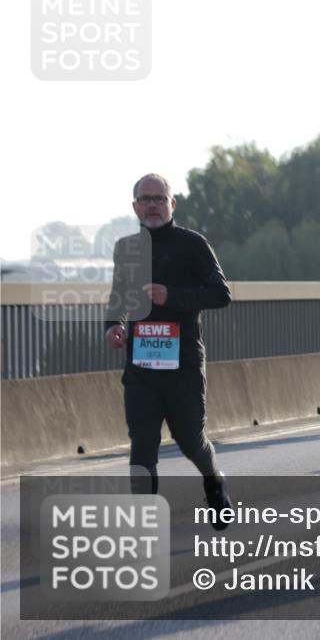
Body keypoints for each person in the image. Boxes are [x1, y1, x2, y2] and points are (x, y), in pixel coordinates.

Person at [104, 173, 232, 529]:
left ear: (172, 204)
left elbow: (221, 294)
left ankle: (213, 480)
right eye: (145, 199)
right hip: (141, 365)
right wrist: (113, 326)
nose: (152, 205)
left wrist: (171, 296)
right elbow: (119, 297)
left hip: (184, 364)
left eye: (159, 199)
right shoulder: (125, 248)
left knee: (190, 439)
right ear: (135, 206)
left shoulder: (192, 244)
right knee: (142, 444)